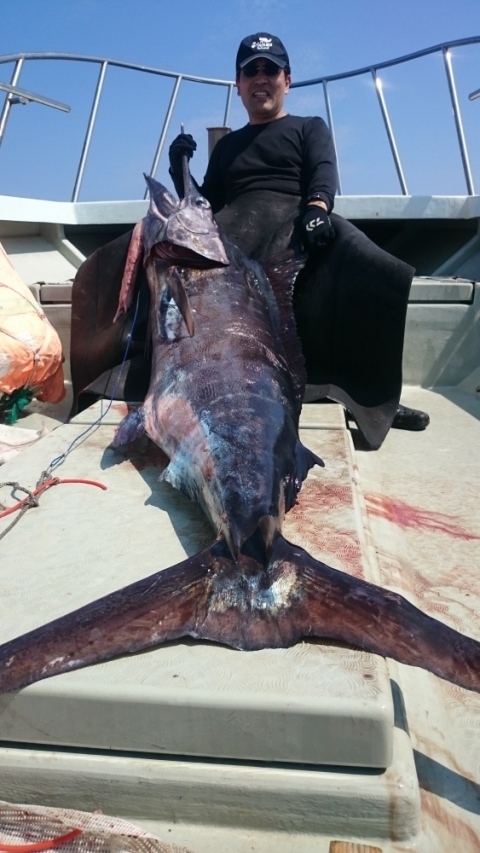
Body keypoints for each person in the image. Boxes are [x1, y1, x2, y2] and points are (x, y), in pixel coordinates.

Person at [168, 32, 430, 449]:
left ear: (286, 80)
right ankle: (166, 379)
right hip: (235, 229)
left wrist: (317, 209)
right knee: (159, 258)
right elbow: (206, 206)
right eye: (249, 71)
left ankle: (370, 398)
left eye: (269, 69)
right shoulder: (227, 148)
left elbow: (323, 173)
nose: (260, 78)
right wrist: (178, 168)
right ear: (237, 86)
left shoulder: (309, 127)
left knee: (377, 266)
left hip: (297, 218)